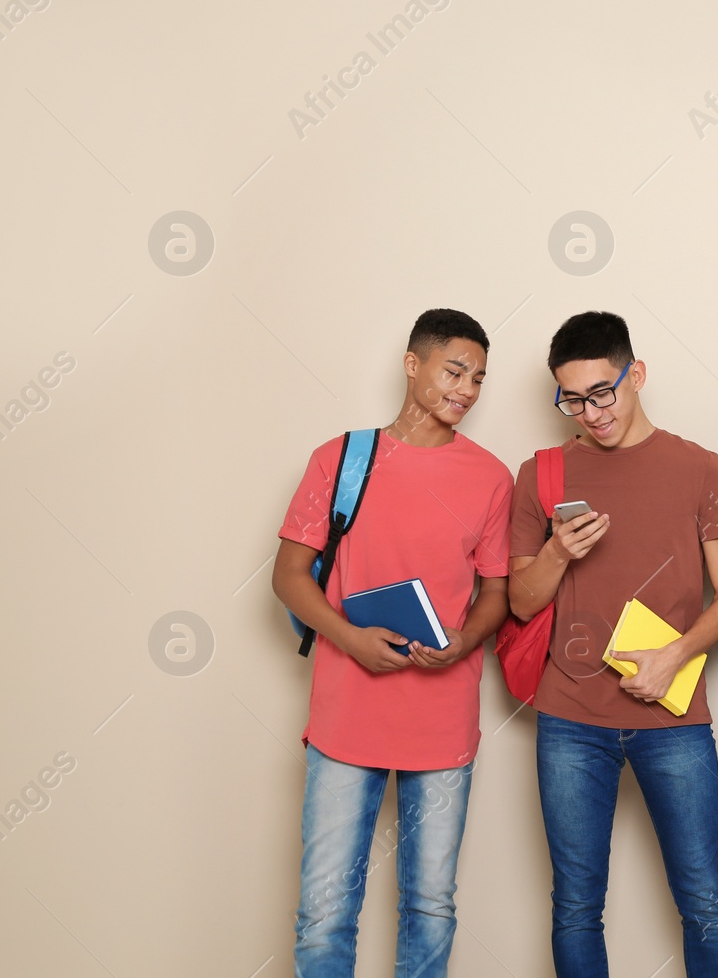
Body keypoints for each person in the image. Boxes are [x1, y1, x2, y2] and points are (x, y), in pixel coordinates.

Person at [272, 308, 515, 978]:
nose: (466, 389)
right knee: (324, 912)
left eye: (479, 379)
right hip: (346, 712)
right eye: (454, 370)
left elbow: (496, 591)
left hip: (442, 719)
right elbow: (289, 576)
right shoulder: (342, 457)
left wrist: (465, 640)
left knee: (430, 906)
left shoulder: (492, 477)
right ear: (414, 364)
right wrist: (350, 637)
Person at [507, 310, 718, 978]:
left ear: (635, 375)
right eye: (571, 398)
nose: (589, 412)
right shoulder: (541, 474)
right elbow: (521, 601)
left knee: (703, 899)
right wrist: (556, 552)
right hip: (571, 719)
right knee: (577, 904)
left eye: (601, 392)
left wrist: (676, 656)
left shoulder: (700, 469)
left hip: (673, 715)